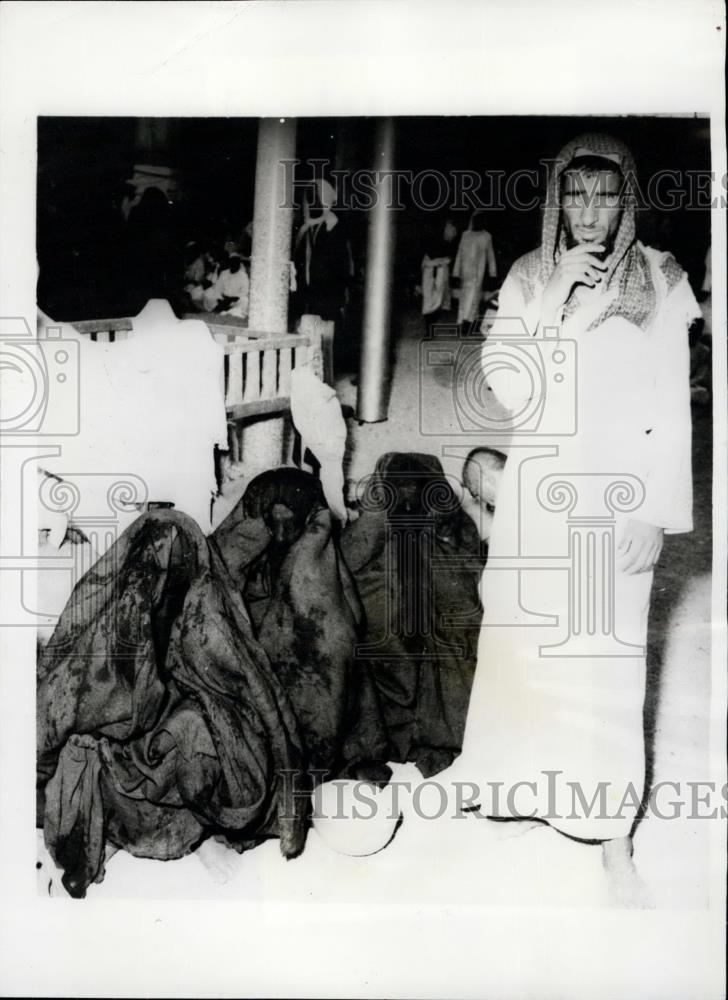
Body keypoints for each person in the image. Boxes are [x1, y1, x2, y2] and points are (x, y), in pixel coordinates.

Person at [449, 134, 699, 905]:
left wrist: (659, 512)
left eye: (607, 195)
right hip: (539, 493)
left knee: (607, 657)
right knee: (525, 648)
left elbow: (670, 404)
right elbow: (508, 391)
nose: (591, 213)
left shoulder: (659, 278)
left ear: (628, 200)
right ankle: (524, 792)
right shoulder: (529, 275)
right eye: (577, 196)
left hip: (616, 499)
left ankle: (612, 828)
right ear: (559, 198)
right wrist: (555, 299)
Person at [452, 210, 497, 330]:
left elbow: (490, 257)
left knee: (473, 298)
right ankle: (462, 322)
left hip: (478, 274)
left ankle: (467, 324)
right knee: (464, 298)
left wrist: (493, 274)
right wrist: (456, 274)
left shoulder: (486, 237)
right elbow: (459, 255)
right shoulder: (465, 235)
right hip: (465, 274)